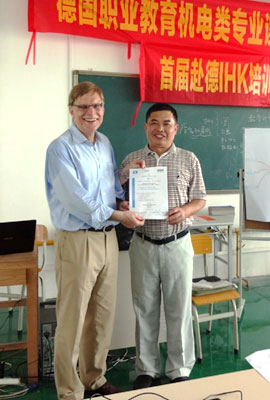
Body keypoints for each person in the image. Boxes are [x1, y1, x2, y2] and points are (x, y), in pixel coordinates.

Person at [45, 81, 145, 400]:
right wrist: (119, 216)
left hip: (107, 240)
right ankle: (69, 391)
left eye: (98, 106)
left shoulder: (103, 143)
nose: (92, 112)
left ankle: (94, 378)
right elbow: (78, 201)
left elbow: (106, 189)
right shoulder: (60, 148)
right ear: (71, 110)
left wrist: (123, 189)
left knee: (101, 315)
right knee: (72, 320)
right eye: (85, 106)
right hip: (78, 241)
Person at [121, 103, 206, 389]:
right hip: (143, 243)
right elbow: (117, 198)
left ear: (175, 128)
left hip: (177, 244)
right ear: (145, 127)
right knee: (144, 308)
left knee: (178, 308)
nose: (160, 129)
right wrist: (124, 205)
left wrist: (185, 211)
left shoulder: (189, 159)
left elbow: (200, 199)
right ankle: (146, 368)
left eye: (166, 123)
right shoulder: (131, 159)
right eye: (154, 122)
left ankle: (179, 368)